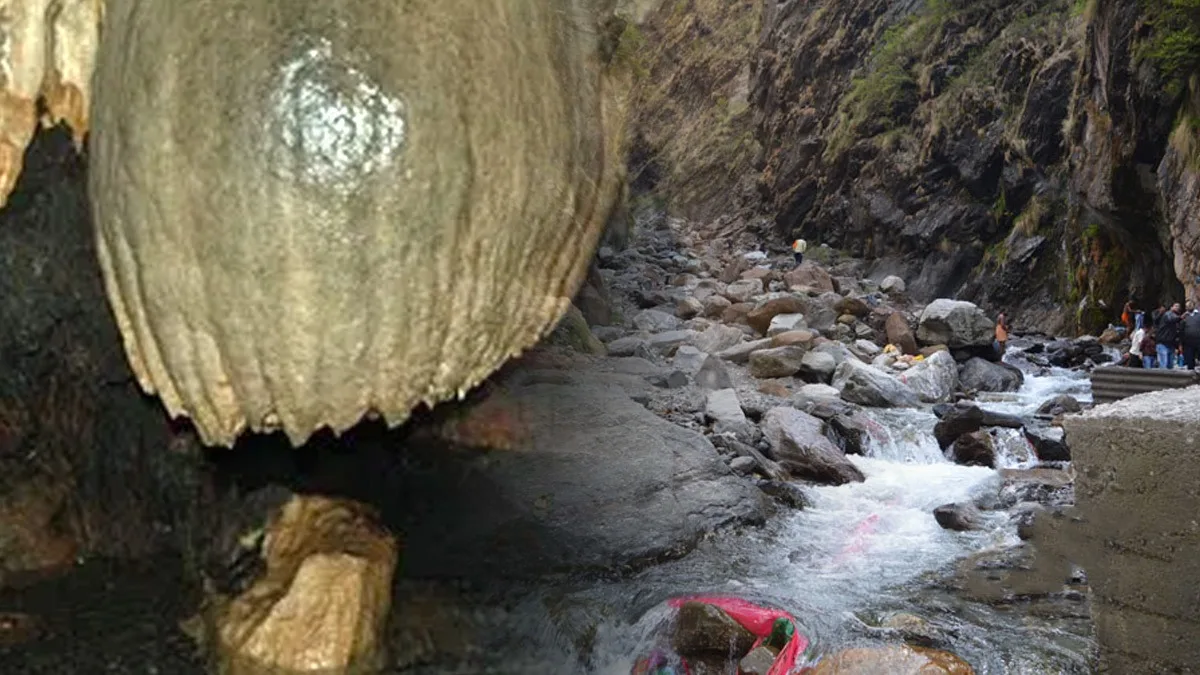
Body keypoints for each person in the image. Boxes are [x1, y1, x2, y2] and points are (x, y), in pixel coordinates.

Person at [1154, 302, 1182, 369]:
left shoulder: (1177, 319)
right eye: (1176, 306)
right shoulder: (1168, 314)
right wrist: (1181, 317)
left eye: (1179, 306)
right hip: (1163, 343)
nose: (1177, 307)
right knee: (1164, 364)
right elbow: (1171, 319)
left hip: (1171, 344)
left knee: (1170, 365)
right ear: (1171, 307)